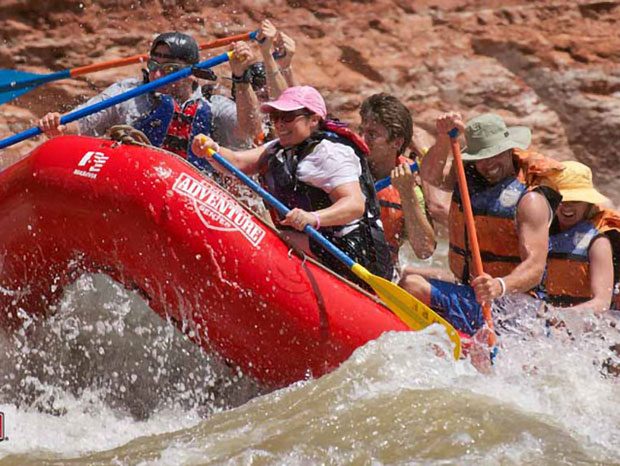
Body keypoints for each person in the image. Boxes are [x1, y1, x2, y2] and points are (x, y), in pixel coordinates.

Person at [191, 85, 394, 286]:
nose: (279, 124)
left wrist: (313, 218)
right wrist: (212, 149)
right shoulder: (281, 147)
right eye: (276, 118)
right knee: (275, 235)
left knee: (280, 238)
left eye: (288, 117)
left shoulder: (331, 153)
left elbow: (354, 204)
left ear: (314, 120)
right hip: (315, 242)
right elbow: (237, 162)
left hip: (357, 252)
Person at [399, 112, 563, 335]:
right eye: (481, 157)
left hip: (513, 304)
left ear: (509, 150)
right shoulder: (469, 177)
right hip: (472, 290)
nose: (488, 164)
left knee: (413, 286)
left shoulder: (530, 200)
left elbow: (534, 268)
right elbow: (430, 176)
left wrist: (499, 286)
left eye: (494, 154)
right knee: (405, 276)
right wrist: (443, 138)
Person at [38, 31, 262, 172]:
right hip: (131, 181)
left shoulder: (213, 105)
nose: (156, 76)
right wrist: (60, 125)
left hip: (192, 197)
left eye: (170, 70)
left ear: (193, 74)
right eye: (153, 67)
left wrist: (241, 78)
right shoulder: (128, 93)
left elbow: (251, 131)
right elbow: (82, 123)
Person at [359, 93, 435, 264]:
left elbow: (424, 250)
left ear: (397, 143)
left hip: (378, 273)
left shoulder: (412, 187)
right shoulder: (344, 167)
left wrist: (406, 192)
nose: (361, 139)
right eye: (360, 131)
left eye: (371, 134)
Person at [542, 161, 620, 312]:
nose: (567, 207)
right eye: (561, 200)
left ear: (588, 203)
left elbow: (601, 303)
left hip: (584, 324)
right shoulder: (542, 229)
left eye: (575, 201)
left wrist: (560, 315)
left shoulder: (599, 242)